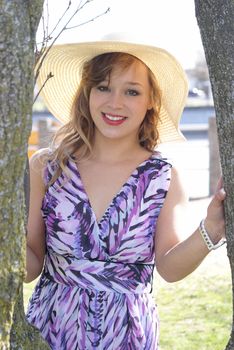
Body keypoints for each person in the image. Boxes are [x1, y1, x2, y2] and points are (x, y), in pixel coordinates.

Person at [25, 34, 226, 350]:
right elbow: (30, 265)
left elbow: (170, 268)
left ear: (150, 102)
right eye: (103, 87)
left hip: (128, 336)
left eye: (131, 91)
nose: (114, 102)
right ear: (87, 93)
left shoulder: (162, 177)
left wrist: (212, 228)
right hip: (50, 331)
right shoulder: (47, 167)